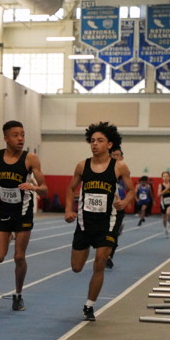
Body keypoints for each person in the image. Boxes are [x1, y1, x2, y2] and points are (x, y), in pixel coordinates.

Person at [64, 122, 134, 321]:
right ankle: (87, 245)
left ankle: (89, 305)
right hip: (85, 222)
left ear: (109, 144)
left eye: (100, 140)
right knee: (76, 267)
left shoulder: (119, 166)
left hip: (107, 223)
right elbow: (71, 189)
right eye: (92, 140)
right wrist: (68, 209)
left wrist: (124, 202)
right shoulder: (82, 166)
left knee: (100, 261)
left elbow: (131, 190)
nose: (94, 144)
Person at [0, 120, 48, 311]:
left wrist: (34, 187)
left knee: (19, 257)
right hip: (3, 213)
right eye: (15, 135)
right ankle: (9, 235)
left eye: (22, 135)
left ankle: (18, 295)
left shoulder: (30, 159)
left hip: (23, 214)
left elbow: (45, 189)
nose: (20, 139)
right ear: (6, 138)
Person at [106, 147, 127, 269]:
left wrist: (125, 201)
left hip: (118, 208)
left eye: (117, 155)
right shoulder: (104, 172)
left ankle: (109, 256)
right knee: (104, 232)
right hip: (105, 208)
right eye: (112, 155)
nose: (115, 157)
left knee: (113, 233)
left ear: (121, 157)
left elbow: (131, 191)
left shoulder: (124, 174)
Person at [158, 170, 170, 237]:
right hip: (163, 203)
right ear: (162, 177)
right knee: (164, 219)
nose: (165, 177)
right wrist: (166, 189)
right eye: (164, 176)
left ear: (169, 177)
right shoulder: (160, 185)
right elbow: (158, 195)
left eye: (167, 176)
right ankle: (165, 228)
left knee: (168, 213)